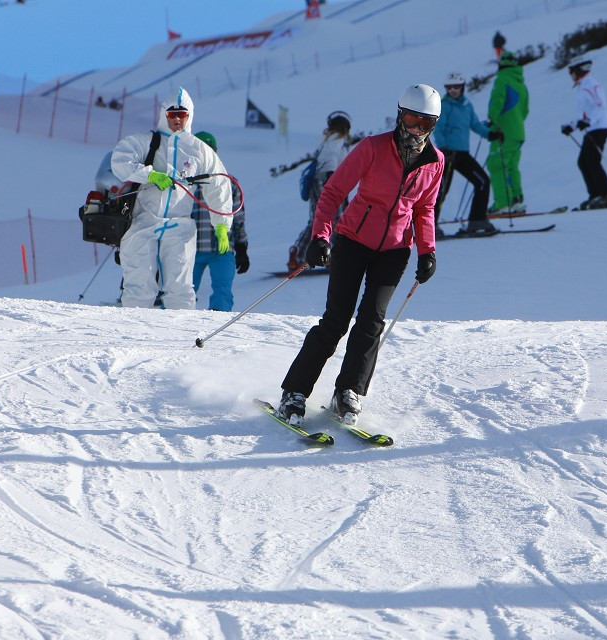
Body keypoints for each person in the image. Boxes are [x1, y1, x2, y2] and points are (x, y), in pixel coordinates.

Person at [275, 84, 445, 426]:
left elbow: (425, 209)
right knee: (336, 320)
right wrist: (320, 236)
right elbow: (333, 192)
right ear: (400, 115)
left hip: (395, 250)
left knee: (371, 323)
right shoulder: (373, 148)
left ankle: (347, 391)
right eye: (412, 119)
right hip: (353, 240)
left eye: (425, 123)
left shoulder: (435, 162)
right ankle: (294, 392)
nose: (416, 129)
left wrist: (428, 251)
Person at [111, 87, 232, 309]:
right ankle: (132, 336)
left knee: (181, 289)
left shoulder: (199, 150)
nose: (177, 119)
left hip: (179, 225)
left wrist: (222, 225)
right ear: (164, 115)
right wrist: (150, 175)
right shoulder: (147, 141)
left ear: (190, 115)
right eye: (172, 114)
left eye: (182, 114)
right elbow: (119, 160)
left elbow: (219, 185)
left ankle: (180, 338)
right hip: (143, 220)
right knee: (138, 287)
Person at [433, 71, 501, 235]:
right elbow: (437, 129)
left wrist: (490, 134)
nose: (453, 90)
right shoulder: (443, 105)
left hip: (462, 154)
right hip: (447, 155)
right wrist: (443, 148)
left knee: (482, 181)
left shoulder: (466, 106)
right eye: (450, 87)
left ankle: (477, 221)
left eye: (456, 86)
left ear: (463, 87)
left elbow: (476, 125)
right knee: (441, 190)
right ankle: (428, 227)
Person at [191, 130, 250, 311]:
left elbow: (238, 217)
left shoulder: (228, 183)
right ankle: (176, 325)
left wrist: (241, 247)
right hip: (189, 250)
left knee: (222, 292)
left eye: (208, 151)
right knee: (181, 292)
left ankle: (217, 326)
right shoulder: (184, 182)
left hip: (221, 248)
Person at [288, 110, 353, 270]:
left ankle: (297, 254)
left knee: (318, 219)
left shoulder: (326, 140)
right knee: (336, 219)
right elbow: (332, 161)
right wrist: (337, 189)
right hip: (328, 181)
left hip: (318, 181)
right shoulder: (338, 141)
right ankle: (335, 257)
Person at [561, 58, 607, 210]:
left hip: (600, 126)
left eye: (572, 72)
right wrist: (571, 126)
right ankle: (595, 195)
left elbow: (600, 106)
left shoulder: (590, 85)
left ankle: (606, 196)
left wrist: (589, 122)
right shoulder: (583, 87)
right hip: (594, 127)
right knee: (583, 162)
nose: (571, 76)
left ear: (579, 71)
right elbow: (585, 114)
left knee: (592, 160)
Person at [486, 51, 530, 214]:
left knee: (497, 165)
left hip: (502, 131)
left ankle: (503, 204)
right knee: (512, 166)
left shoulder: (502, 80)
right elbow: (525, 110)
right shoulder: (521, 84)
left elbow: (498, 101)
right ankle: (515, 199)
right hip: (518, 132)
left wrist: (492, 120)